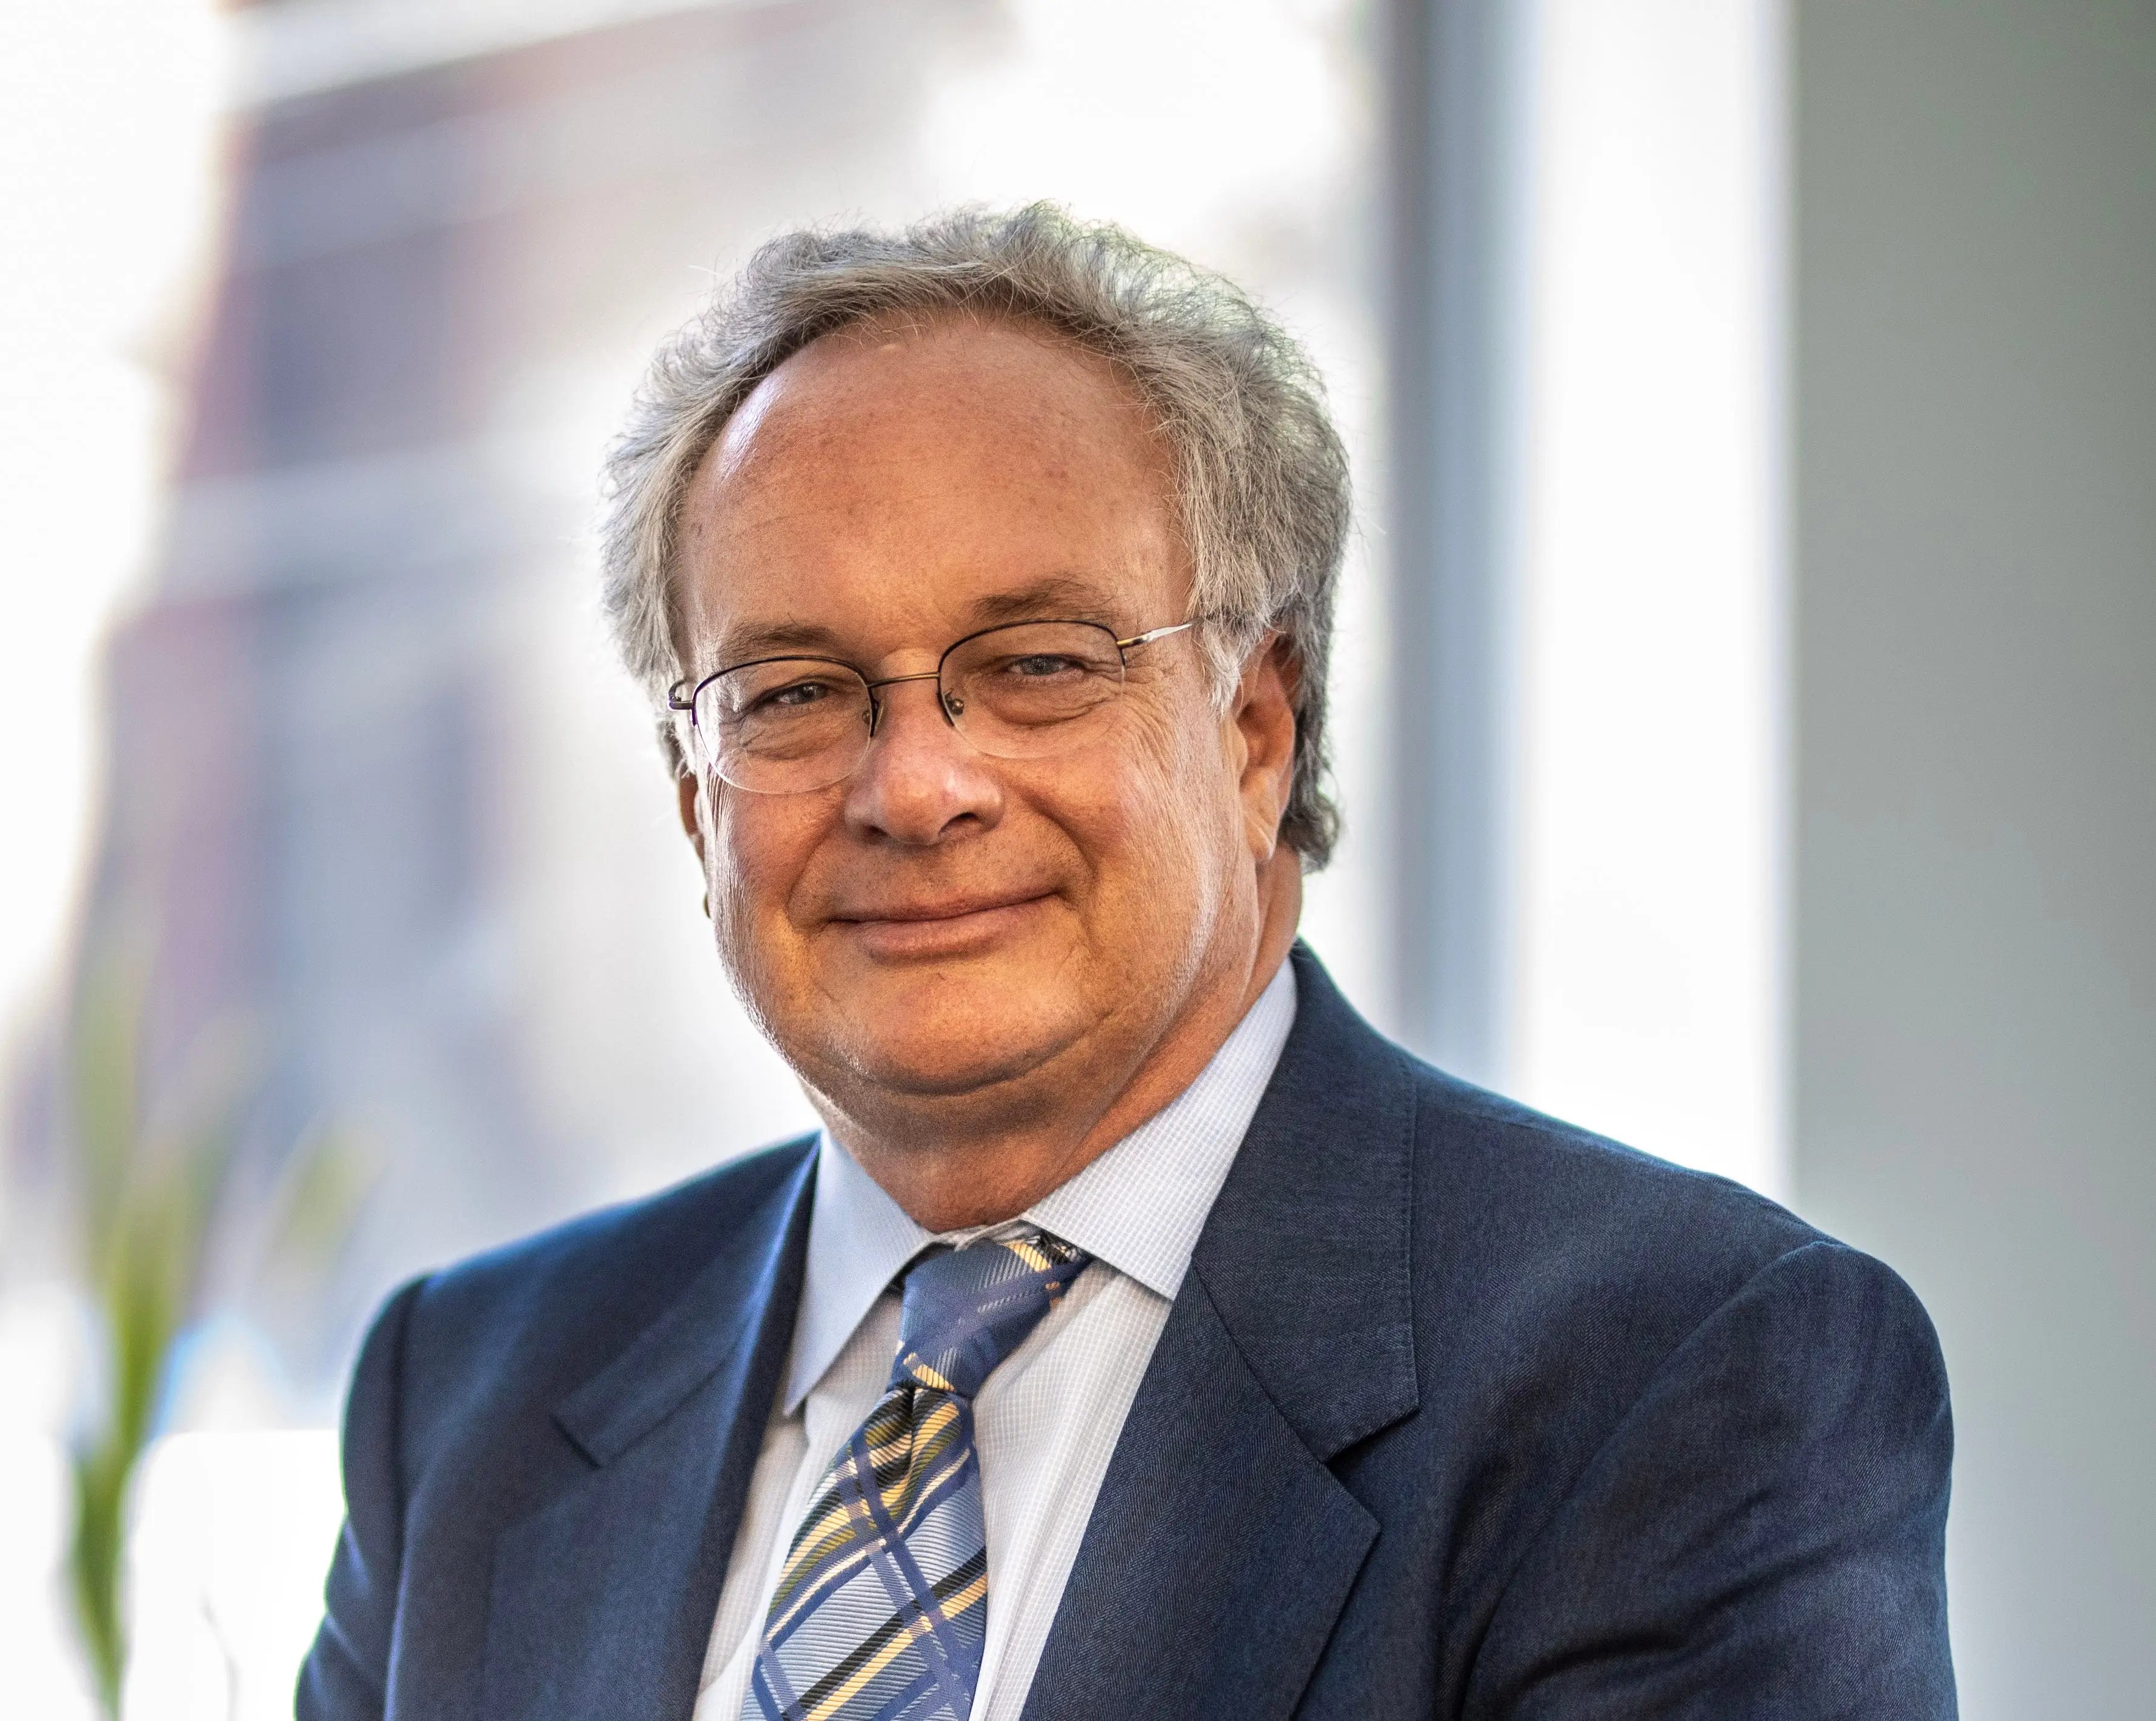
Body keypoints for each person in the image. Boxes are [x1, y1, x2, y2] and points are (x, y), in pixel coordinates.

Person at [296, 205, 1956, 1721]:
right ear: (690, 796)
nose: (914, 788)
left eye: (1036, 664)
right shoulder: (467, 1401)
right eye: (790, 693)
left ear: (1255, 728)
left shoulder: (1682, 1377)